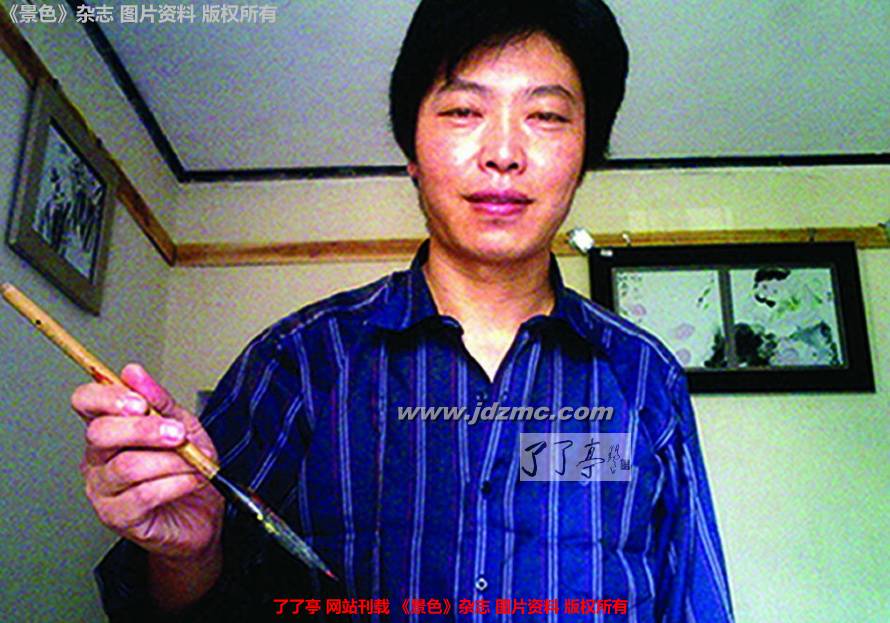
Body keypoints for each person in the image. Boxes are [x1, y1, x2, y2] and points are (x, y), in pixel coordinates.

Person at [72, 1, 735, 621]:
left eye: (547, 116)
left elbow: (695, 599)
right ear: (412, 154)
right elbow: (172, 601)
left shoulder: (642, 374)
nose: (504, 153)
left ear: (585, 155)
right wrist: (186, 554)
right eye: (463, 111)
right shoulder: (301, 360)